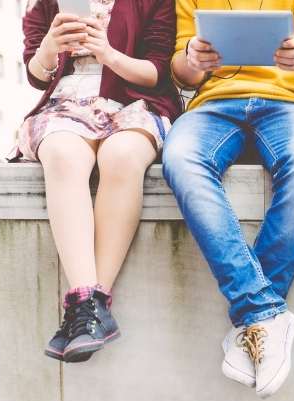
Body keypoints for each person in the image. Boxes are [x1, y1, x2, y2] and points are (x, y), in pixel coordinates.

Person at [162, 0, 294, 398]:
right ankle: (264, 313)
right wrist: (193, 59)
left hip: (291, 105)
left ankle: (253, 321)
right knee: (181, 158)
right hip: (214, 105)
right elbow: (182, 75)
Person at [17, 0, 181, 363]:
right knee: (62, 155)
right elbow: (35, 73)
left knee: (122, 156)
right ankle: (88, 307)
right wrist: (49, 47)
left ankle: (88, 307)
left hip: (134, 102)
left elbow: (158, 71)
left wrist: (107, 53)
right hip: (65, 106)